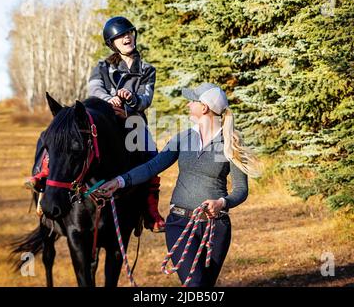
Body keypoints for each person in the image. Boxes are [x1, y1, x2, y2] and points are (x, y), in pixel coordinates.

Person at [98, 83, 262, 287]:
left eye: (192, 101)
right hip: (180, 223)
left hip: (215, 227)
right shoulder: (184, 138)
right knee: (195, 285)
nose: (187, 104)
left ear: (204, 108)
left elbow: (241, 190)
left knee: (204, 287)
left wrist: (221, 202)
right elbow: (153, 166)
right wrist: (120, 181)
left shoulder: (230, 142)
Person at [26, 16, 166, 233]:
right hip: (102, 119)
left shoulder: (147, 69)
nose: (126, 38)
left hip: (133, 122)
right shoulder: (101, 66)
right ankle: (44, 174)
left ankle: (150, 210)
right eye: (120, 36)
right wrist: (109, 100)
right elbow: (94, 89)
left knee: (151, 154)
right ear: (112, 44)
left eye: (128, 33)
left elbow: (146, 98)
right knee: (65, 136)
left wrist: (130, 100)